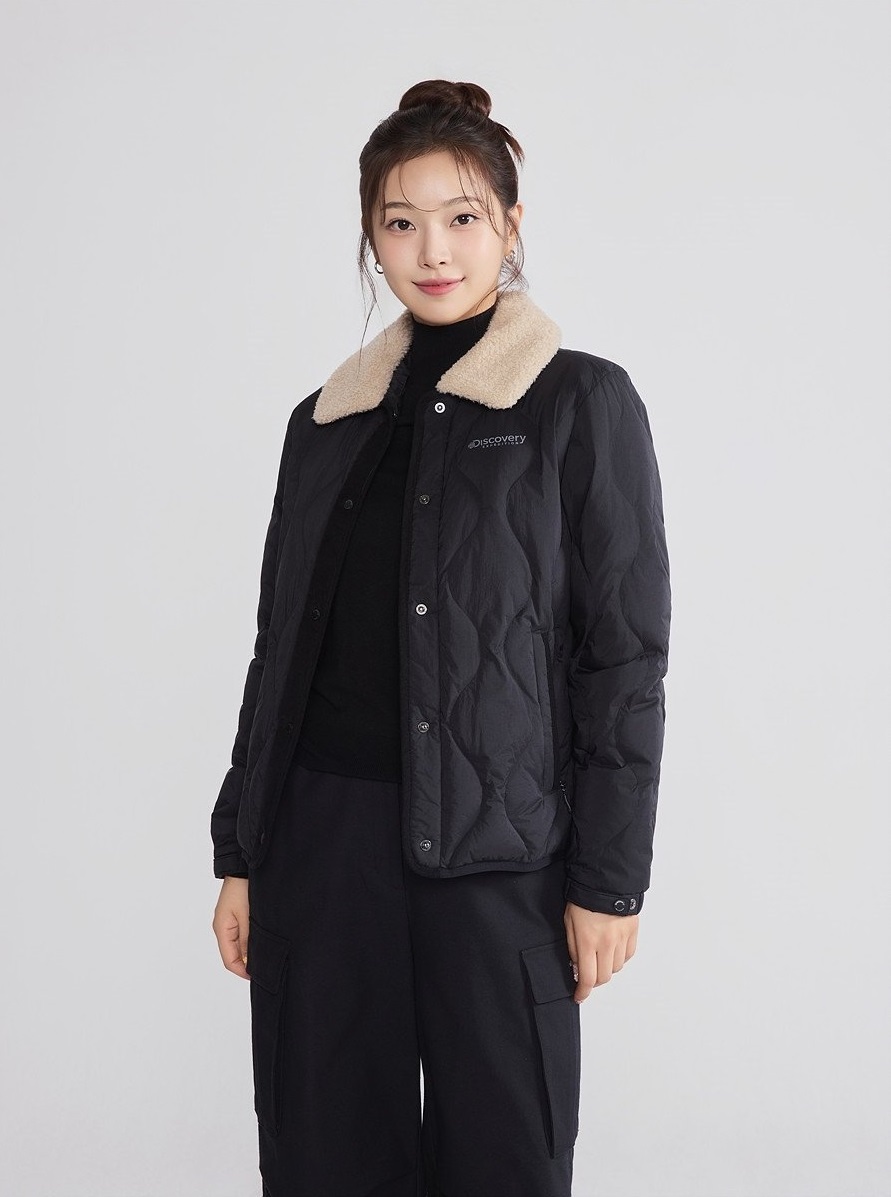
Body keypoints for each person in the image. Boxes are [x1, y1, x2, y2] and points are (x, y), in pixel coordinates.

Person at [210, 78, 671, 1197]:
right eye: (400, 221)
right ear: (371, 238)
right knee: (323, 1160)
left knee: (506, 1160)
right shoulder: (324, 423)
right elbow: (278, 650)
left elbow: (622, 658)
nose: (432, 249)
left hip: (500, 861)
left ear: (511, 226)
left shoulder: (577, 403)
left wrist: (610, 881)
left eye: (462, 216)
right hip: (321, 846)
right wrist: (242, 850)